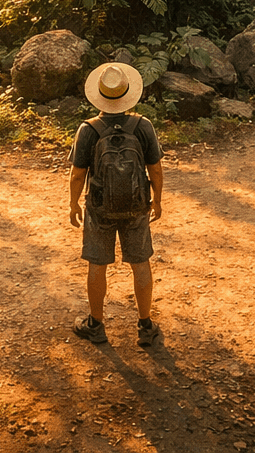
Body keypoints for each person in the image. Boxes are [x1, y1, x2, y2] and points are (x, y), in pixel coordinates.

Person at [69, 61, 164, 347]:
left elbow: (77, 174)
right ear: (127, 93)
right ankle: (145, 326)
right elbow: (155, 169)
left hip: (100, 209)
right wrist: (157, 201)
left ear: (98, 94)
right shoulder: (142, 126)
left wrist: (74, 204)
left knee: (97, 264)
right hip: (137, 206)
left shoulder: (88, 130)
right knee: (140, 262)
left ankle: (95, 325)